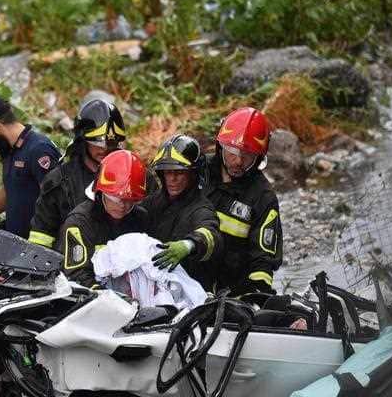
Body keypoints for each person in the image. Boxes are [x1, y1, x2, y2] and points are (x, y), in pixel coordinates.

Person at [201, 107, 283, 296]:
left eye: (247, 156)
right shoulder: (198, 173)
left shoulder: (263, 197)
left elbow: (263, 261)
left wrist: (252, 297)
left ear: (259, 158)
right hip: (189, 281)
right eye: (232, 151)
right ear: (220, 146)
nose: (238, 161)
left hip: (233, 292)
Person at [28, 99, 126, 249]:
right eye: (97, 143)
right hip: (71, 267)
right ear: (82, 141)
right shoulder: (59, 181)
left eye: (111, 144)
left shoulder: (132, 176)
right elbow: (41, 237)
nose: (105, 149)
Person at [0, 95, 60, 239]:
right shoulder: (11, 150)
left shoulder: (39, 150)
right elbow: (10, 189)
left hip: (37, 246)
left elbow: (55, 201)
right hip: (15, 241)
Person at [56, 149, 148, 288]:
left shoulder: (140, 218)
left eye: (130, 200)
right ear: (101, 192)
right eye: (116, 199)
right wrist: (107, 297)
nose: (123, 205)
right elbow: (76, 274)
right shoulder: (79, 223)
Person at [143, 134, 221, 279]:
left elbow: (211, 236)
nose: (172, 179)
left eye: (179, 172)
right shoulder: (153, 202)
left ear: (193, 175)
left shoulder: (201, 208)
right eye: (168, 172)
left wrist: (189, 245)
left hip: (190, 290)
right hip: (153, 283)